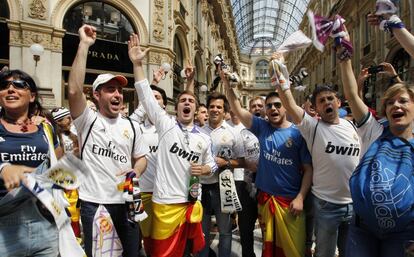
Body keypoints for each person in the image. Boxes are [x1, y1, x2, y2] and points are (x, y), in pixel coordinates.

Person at [128, 33, 217, 257]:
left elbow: (213, 165)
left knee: (188, 253)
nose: (186, 103)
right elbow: (146, 95)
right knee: (160, 253)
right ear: (175, 108)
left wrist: (206, 169)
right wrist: (138, 64)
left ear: (196, 109)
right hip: (164, 205)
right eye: (182, 101)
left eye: (191, 101)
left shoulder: (204, 138)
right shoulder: (165, 125)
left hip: (190, 204)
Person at [68, 25, 148, 257]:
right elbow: (73, 91)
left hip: (128, 204)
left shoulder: (132, 125)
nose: (117, 95)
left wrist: (135, 171)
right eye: (110, 90)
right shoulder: (87, 121)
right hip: (95, 204)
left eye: (120, 91)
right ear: (96, 95)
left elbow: (141, 158)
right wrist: (83, 45)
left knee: (132, 253)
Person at [272, 52, 361, 257]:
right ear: (317, 108)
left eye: (330, 98)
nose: (327, 102)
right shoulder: (312, 127)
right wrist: (280, 69)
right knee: (324, 254)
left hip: (354, 204)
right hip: (327, 206)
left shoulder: (352, 126)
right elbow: (289, 103)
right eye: (322, 101)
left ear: (338, 103)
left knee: (350, 252)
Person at [337, 25, 414, 257]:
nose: (395, 106)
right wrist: (344, 52)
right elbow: (351, 94)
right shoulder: (374, 130)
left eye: (403, 101)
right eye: (390, 103)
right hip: (363, 230)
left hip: (404, 234)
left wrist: (395, 24)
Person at [222, 67, 313, 257]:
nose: (273, 108)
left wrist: (300, 198)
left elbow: (308, 169)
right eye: (269, 105)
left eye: (278, 105)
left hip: (290, 204)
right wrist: (227, 85)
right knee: (269, 249)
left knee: (293, 251)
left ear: (286, 107)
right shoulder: (261, 127)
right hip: (265, 201)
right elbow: (237, 108)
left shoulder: (298, 133)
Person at [0, 69, 60, 256]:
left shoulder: (45, 128)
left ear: (32, 96)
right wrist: (3, 168)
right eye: (4, 86)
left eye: (18, 85)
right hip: (5, 225)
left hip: (45, 222)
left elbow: (57, 164)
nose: (10, 89)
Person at [198, 92, 245, 257]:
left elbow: (242, 161)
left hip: (223, 187)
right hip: (200, 187)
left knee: (225, 231)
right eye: (211, 106)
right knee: (202, 231)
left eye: (219, 107)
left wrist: (226, 162)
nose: (214, 110)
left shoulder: (233, 133)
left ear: (224, 111)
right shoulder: (197, 131)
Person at [130, 80, 168, 255]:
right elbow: (129, 121)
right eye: (150, 98)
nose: (153, 101)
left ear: (165, 105)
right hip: (143, 192)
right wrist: (150, 87)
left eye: (157, 98)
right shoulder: (136, 128)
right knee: (146, 237)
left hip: (165, 194)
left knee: (163, 238)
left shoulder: (170, 127)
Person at [227, 110, 260, 257]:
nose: (257, 108)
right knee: (246, 227)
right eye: (254, 106)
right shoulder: (241, 133)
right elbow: (237, 159)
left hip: (268, 187)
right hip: (245, 186)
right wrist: (246, 164)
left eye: (260, 106)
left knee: (270, 230)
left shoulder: (271, 130)